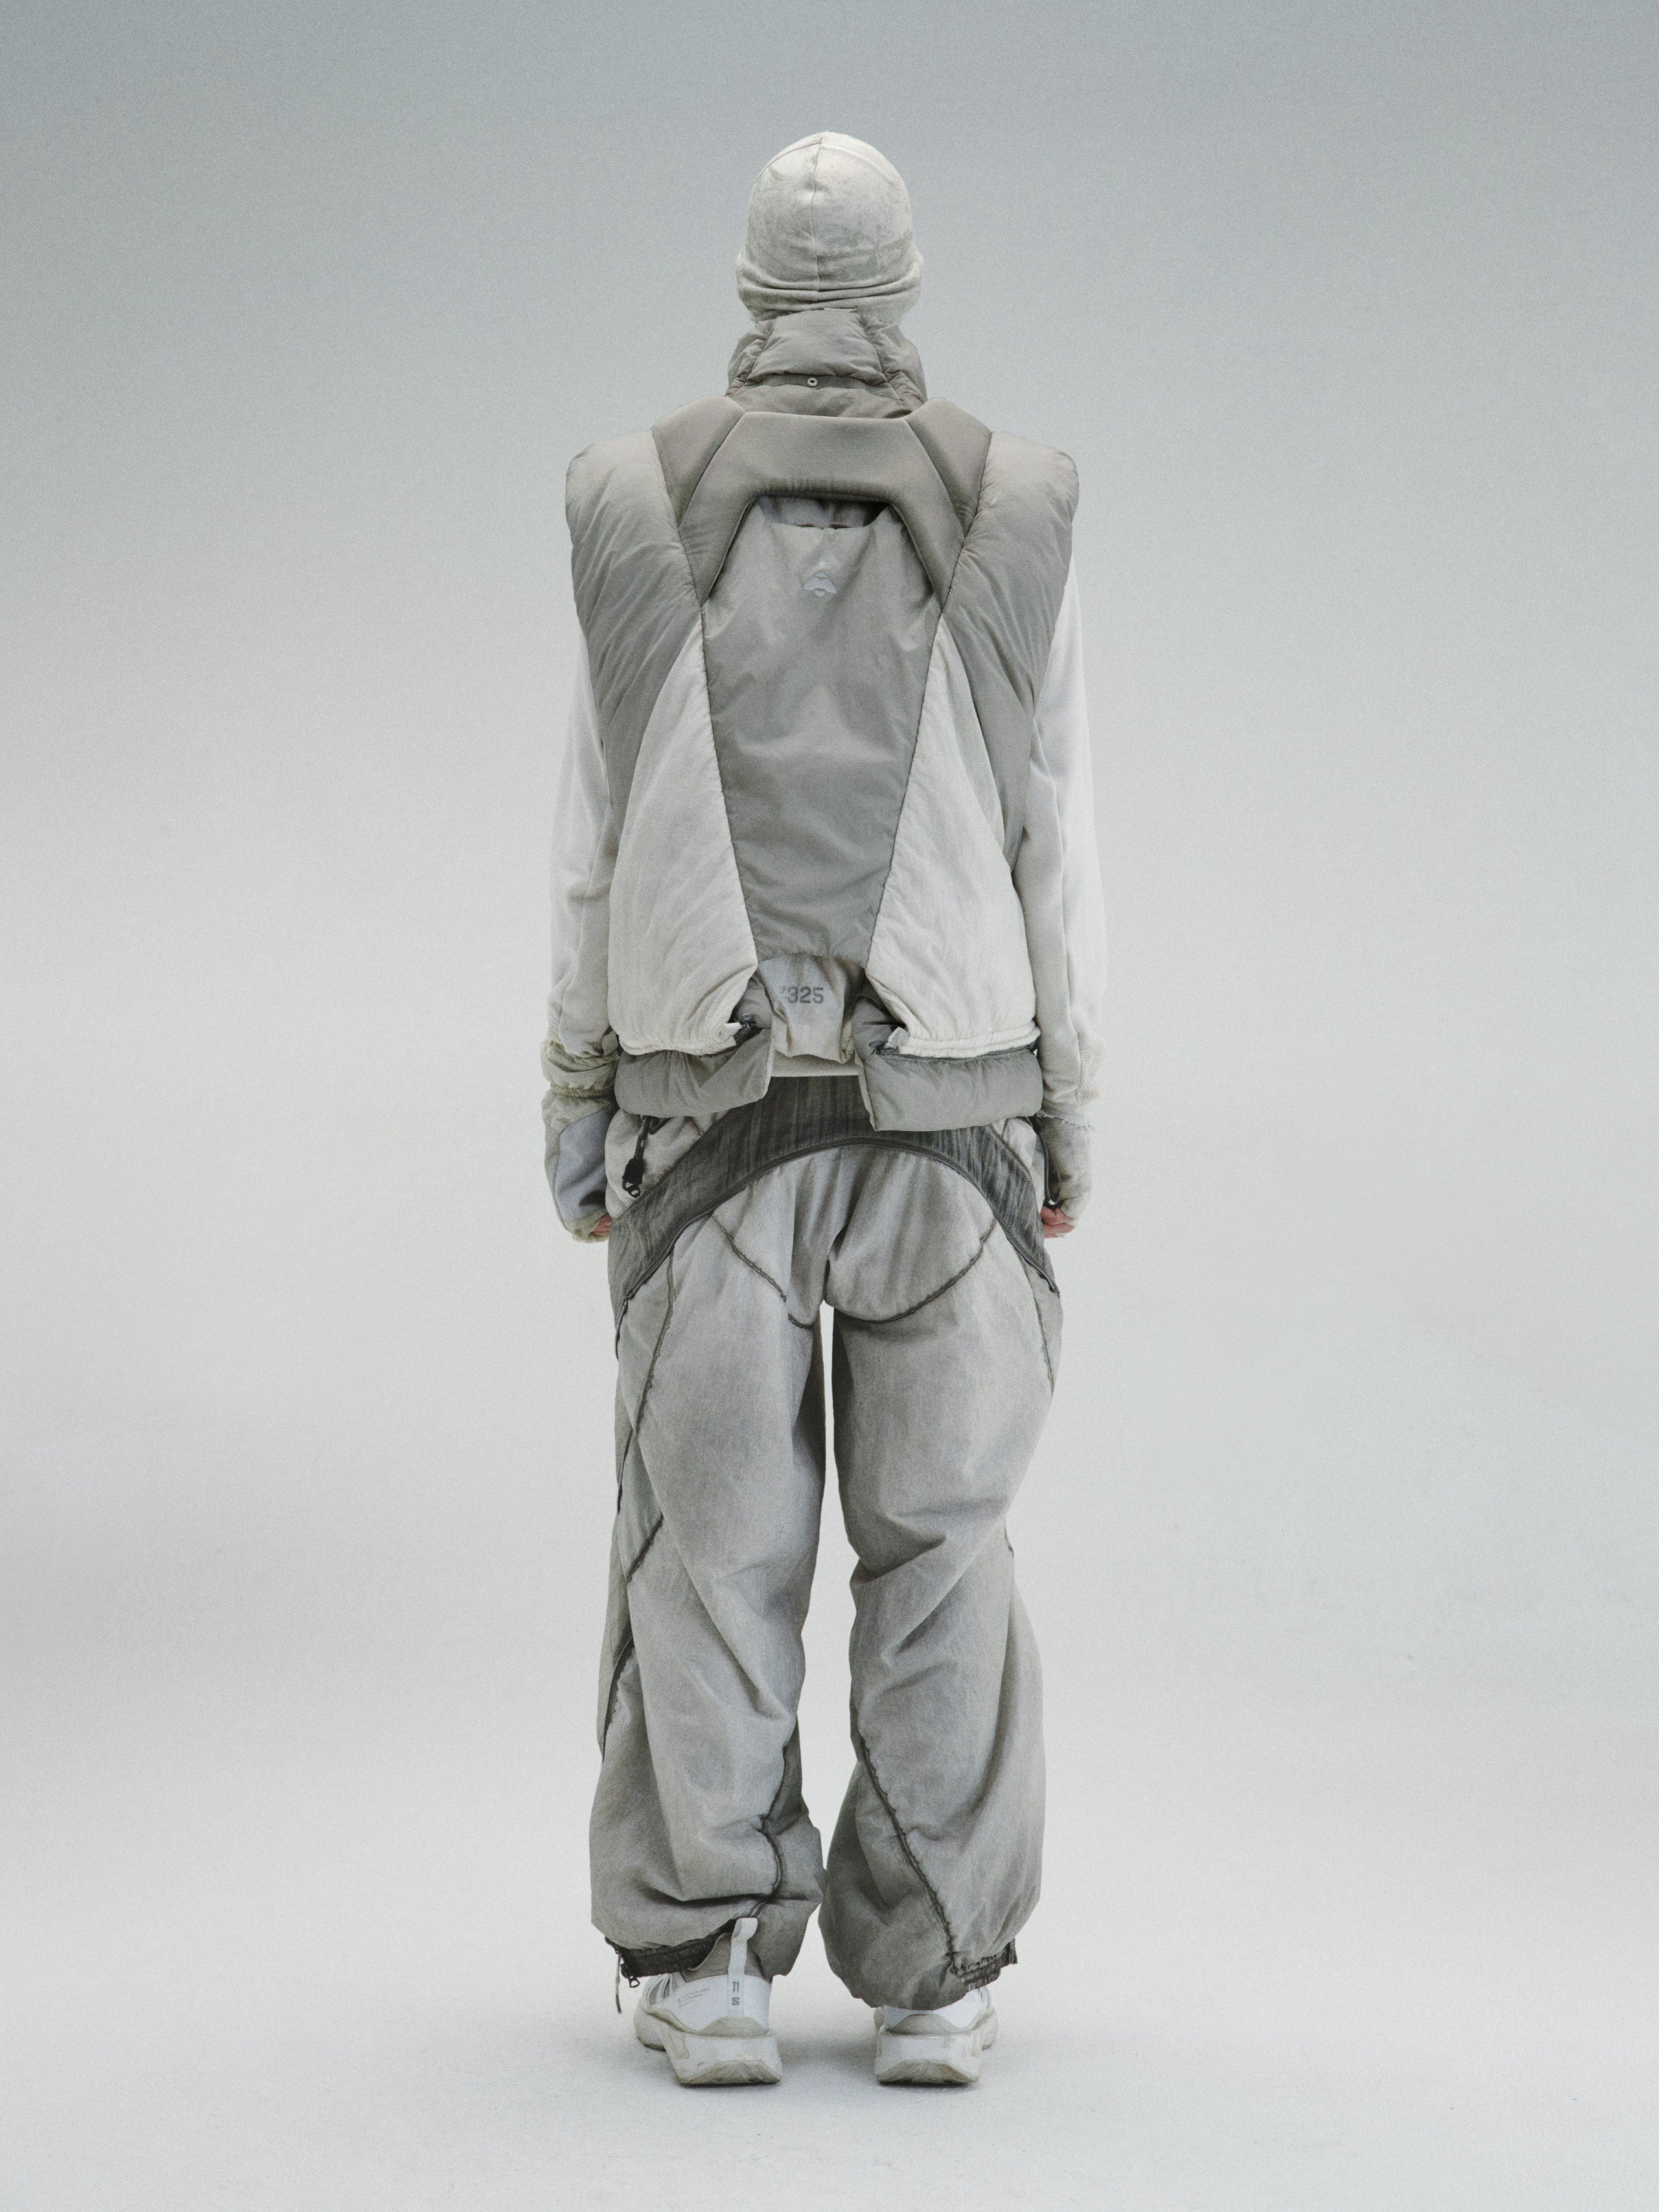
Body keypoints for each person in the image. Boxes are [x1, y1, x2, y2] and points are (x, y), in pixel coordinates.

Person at [542, 132, 1106, 2088]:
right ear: (904, 285)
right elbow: (1058, 850)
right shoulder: (1022, 503)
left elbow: (593, 852)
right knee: (944, 1554)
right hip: (956, 1126)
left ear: (751, 289)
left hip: (705, 1128)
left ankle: (708, 1971)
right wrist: (1074, 1120)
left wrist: (572, 1105)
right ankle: (935, 1979)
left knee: (711, 1561)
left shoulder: (626, 501)